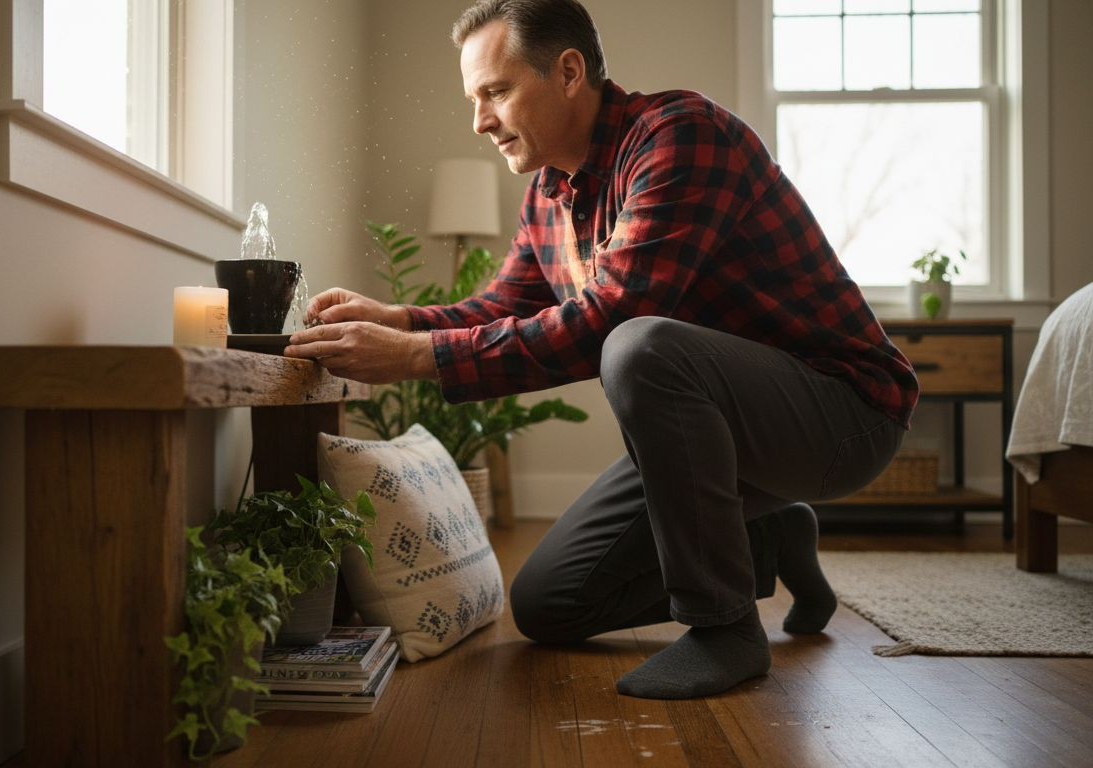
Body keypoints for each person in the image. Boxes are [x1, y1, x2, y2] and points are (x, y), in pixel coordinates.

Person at [285, 0, 917, 699]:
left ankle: (724, 627)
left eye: (495, 92)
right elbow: (503, 308)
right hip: (730, 441)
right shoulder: (549, 195)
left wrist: (411, 358)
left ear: (568, 72)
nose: (480, 121)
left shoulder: (680, 135)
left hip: (844, 414)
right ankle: (770, 537)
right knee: (552, 604)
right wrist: (401, 319)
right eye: (474, 99)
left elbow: (612, 316)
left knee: (639, 347)